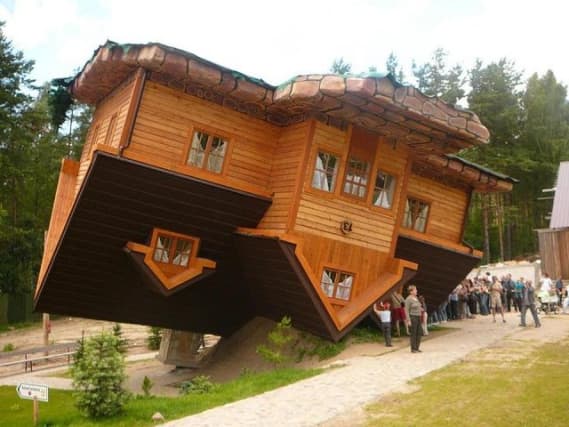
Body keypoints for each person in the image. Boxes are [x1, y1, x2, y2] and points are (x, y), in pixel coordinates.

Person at [405, 285, 423, 353]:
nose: (416, 291)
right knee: (413, 333)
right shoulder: (408, 299)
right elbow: (406, 310)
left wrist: (420, 309)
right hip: (413, 317)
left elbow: (418, 306)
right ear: (411, 291)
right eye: (415, 290)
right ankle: (413, 349)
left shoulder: (416, 298)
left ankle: (417, 347)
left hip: (418, 317)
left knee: (419, 333)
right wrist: (408, 320)